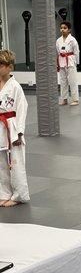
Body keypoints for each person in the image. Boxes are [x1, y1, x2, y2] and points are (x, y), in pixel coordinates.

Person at [0, 50, 30, 207]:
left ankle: (19, 195)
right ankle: (4, 193)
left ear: (9, 67)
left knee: (16, 162)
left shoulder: (15, 87)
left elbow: (22, 108)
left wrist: (19, 132)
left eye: (1, 65)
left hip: (12, 127)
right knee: (1, 163)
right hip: (0, 127)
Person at [56, 21, 80, 106]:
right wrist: (57, 63)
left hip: (70, 61)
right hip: (62, 61)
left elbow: (76, 51)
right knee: (63, 81)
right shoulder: (58, 40)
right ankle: (64, 99)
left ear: (69, 30)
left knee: (72, 81)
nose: (62, 30)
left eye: (65, 28)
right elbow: (58, 52)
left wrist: (76, 62)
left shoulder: (72, 40)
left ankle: (75, 99)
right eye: (61, 28)